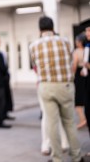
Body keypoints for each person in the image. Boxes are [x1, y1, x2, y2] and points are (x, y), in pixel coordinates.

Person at [29, 16, 82, 162]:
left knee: (51, 123)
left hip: (46, 86)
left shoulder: (33, 45)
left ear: (40, 29)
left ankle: (57, 158)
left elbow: (35, 66)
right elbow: (71, 62)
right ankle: (76, 156)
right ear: (53, 27)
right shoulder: (65, 41)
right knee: (69, 122)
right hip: (65, 85)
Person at [72, 33, 87, 129]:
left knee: (78, 101)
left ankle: (83, 120)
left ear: (80, 42)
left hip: (79, 76)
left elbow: (74, 64)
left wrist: (72, 75)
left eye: (77, 40)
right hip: (86, 74)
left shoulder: (77, 51)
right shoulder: (87, 50)